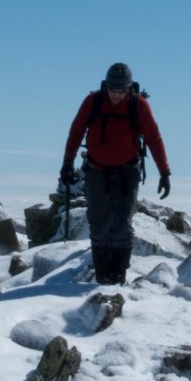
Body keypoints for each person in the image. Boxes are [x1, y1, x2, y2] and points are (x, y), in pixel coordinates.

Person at [59, 62, 170, 286]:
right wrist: (68, 162)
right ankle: (103, 278)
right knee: (99, 224)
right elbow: (76, 131)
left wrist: (164, 172)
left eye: (121, 91)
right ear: (106, 87)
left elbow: (154, 138)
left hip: (127, 172)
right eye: (112, 90)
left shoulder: (139, 106)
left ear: (129, 88)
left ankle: (118, 279)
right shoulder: (93, 102)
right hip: (96, 171)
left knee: (122, 226)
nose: (116, 95)